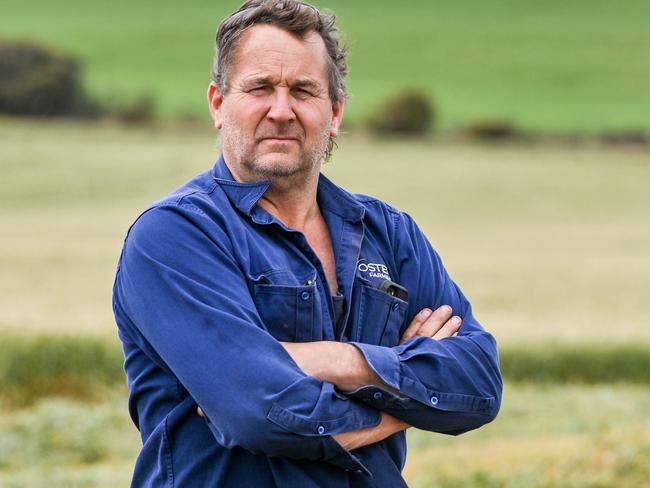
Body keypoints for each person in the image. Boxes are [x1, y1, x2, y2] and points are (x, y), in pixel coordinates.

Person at [112, 1, 502, 486]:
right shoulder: (175, 236)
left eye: (303, 90)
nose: (281, 110)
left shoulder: (389, 233)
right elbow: (258, 412)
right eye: (259, 88)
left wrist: (332, 359)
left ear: (335, 112)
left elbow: (479, 385)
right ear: (218, 103)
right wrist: (408, 401)